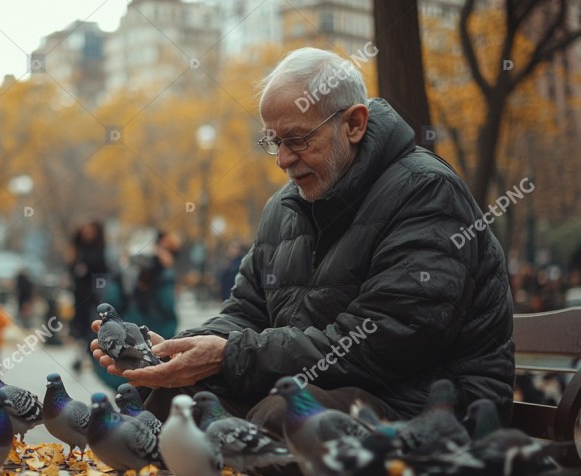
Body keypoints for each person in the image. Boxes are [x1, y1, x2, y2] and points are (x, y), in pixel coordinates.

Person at [93, 47, 515, 454]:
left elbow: (388, 339)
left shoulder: (426, 192)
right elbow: (247, 311)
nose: (281, 159)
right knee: (181, 399)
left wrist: (230, 355)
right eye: (273, 141)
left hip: (431, 404)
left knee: (286, 415)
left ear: (354, 124)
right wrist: (173, 352)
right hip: (327, 388)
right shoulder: (284, 206)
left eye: (296, 139)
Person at [69, 221, 108, 373]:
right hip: (80, 295)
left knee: (92, 326)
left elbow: (102, 269)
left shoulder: (99, 250)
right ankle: (81, 356)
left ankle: (90, 355)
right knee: (80, 327)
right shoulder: (77, 250)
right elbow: (72, 270)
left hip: (95, 296)